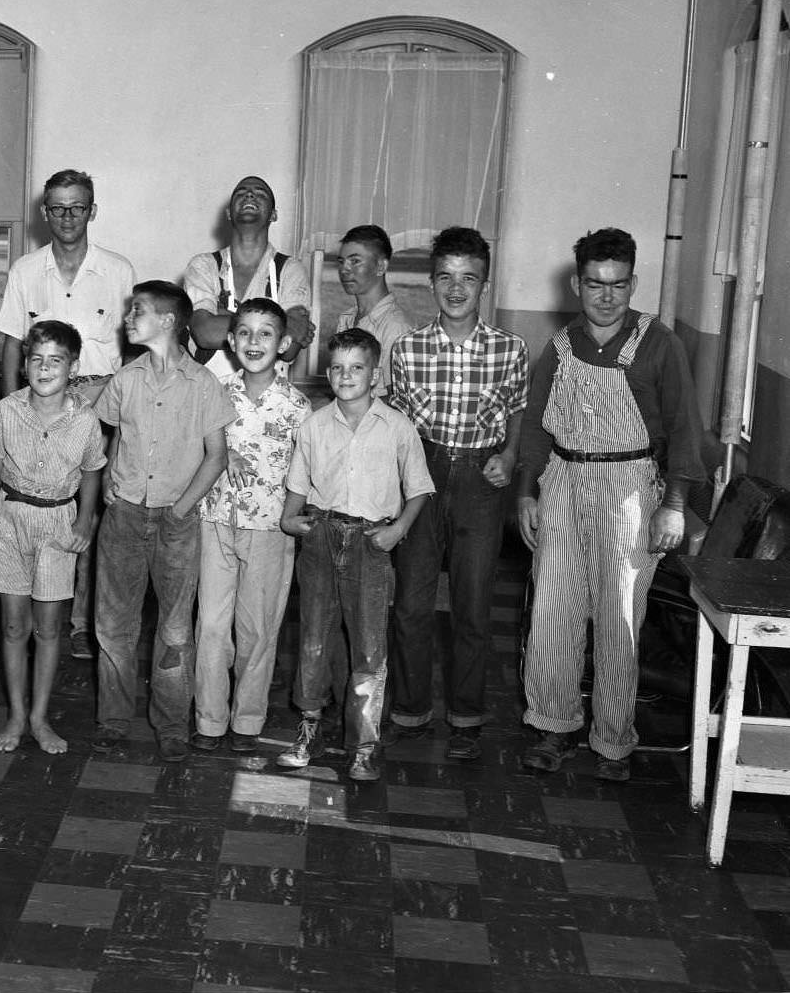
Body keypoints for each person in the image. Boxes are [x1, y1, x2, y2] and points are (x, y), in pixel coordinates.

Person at [517, 228, 705, 783]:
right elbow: (533, 426)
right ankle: (554, 725)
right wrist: (528, 490)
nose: (606, 296)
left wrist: (673, 505)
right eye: (595, 284)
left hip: (630, 486)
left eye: (617, 285)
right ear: (577, 283)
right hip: (563, 482)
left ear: (633, 283)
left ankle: (613, 740)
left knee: (621, 614)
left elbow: (684, 431)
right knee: (553, 610)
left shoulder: (660, 344)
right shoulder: (559, 347)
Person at [385, 227, 527, 760]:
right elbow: (397, 423)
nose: (456, 288)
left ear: (484, 284)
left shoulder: (509, 349)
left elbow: (517, 412)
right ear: (430, 283)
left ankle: (466, 716)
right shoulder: (408, 348)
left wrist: (509, 457)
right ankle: (410, 711)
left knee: (471, 604)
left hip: (480, 483)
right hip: (423, 475)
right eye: (445, 276)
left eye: (468, 277)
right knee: (412, 602)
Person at [276, 328, 433, 782]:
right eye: (339, 368)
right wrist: (291, 520)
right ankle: (310, 728)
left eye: (357, 368)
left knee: (368, 646)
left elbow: (419, 488)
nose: (347, 376)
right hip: (322, 537)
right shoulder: (313, 425)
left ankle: (364, 744)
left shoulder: (397, 427)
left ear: (375, 375)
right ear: (328, 373)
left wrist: (398, 528)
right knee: (313, 638)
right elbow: (298, 484)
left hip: (370, 541)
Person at [0, 169, 135, 661]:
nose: (68, 217)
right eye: (57, 208)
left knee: (90, 513)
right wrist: (15, 405)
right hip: (38, 402)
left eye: (77, 207)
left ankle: (79, 622)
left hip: (100, 400)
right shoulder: (25, 271)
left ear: (92, 210)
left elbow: (130, 352)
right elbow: (13, 344)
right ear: (44, 213)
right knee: (38, 506)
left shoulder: (118, 271)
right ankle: (33, 614)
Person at [92, 281, 234, 763]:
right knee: (114, 624)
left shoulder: (203, 383)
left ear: (170, 321)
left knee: (175, 630)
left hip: (177, 520)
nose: (129, 319)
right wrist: (111, 474)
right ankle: (113, 718)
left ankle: (171, 724)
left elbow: (217, 456)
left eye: (139, 312)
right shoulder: (125, 379)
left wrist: (179, 509)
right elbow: (112, 435)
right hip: (125, 516)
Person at [0, 320, 105, 755]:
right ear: (24, 364)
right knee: (14, 625)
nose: (45, 368)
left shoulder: (86, 420)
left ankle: (39, 717)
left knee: (49, 629)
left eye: (56, 361)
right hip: (10, 520)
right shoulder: (5, 411)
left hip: (58, 526)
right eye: (36, 359)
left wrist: (84, 521)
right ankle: (15, 715)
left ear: (73, 368)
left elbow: (92, 471)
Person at [191, 299, 309, 754]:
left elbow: (305, 470)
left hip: (270, 528)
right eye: (244, 332)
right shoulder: (215, 392)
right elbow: (198, 447)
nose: (253, 342)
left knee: (258, 628)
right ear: (230, 339)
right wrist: (223, 453)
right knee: (213, 625)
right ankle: (209, 719)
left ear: (283, 344)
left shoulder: (298, 407)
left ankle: (247, 720)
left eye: (265, 334)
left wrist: (295, 517)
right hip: (216, 521)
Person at [184, 175, 314, 382]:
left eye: (260, 193)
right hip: (207, 393)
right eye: (241, 193)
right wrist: (277, 325)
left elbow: (290, 349)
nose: (250, 195)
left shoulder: (290, 269)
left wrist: (220, 313)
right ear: (228, 213)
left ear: (273, 215)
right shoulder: (204, 265)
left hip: (267, 401)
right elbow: (204, 333)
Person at [334, 224, 418, 396]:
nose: (344, 269)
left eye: (355, 261)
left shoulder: (396, 327)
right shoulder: (347, 318)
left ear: (381, 267)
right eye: (341, 262)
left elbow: (397, 403)